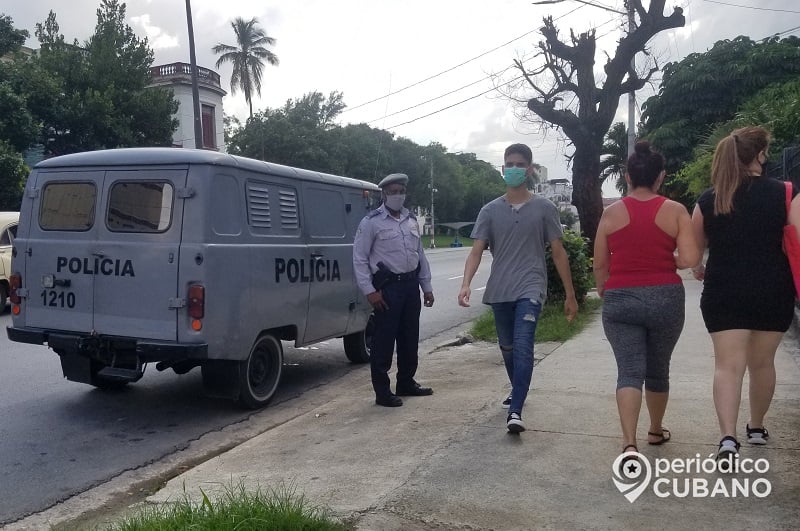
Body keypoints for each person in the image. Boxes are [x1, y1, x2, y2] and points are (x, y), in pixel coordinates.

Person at [691, 126, 800, 461]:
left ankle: (727, 438)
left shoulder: (709, 199)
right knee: (762, 363)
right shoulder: (787, 192)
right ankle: (755, 427)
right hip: (773, 290)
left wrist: (700, 268)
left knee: (728, 366)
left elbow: (695, 257)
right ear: (761, 155)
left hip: (724, 292)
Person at [458, 143, 578, 433]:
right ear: (503, 169)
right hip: (500, 289)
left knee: (524, 345)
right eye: (508, 164)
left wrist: (571, 295)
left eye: (519, 164)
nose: (513, 168)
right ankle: (518, 389)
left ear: (530, 169)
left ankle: (515, 410)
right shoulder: (489, 210)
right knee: (508, 349)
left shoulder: (544, 208)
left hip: (531, 286)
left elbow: (558, 252)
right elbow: (476, 251)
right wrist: (466, 284)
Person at [592, 141, 700, 456]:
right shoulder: (675, 210)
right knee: (657, 368)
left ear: (627, 177)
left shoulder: (610, 213)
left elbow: (600, 262)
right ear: (661, 176)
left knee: (628, 370)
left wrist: (603, 286)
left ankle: (628, 442)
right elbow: (691, 258)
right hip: (666, 296)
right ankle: (655, 429)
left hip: (621, 297)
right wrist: (671, 260)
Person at [353, 173, 435, 407]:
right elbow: (359, 258)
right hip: (388, 289)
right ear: (384, 194)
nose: (398, 195)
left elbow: (420, 255)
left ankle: (406, 382)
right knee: (384, 340)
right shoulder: (371, 222)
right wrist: (369, 291)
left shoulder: (410, 220)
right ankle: (382, 392)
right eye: (393, 192)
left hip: (410, 287)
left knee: (410, 338)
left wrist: (426, 286)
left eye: (401, 191)